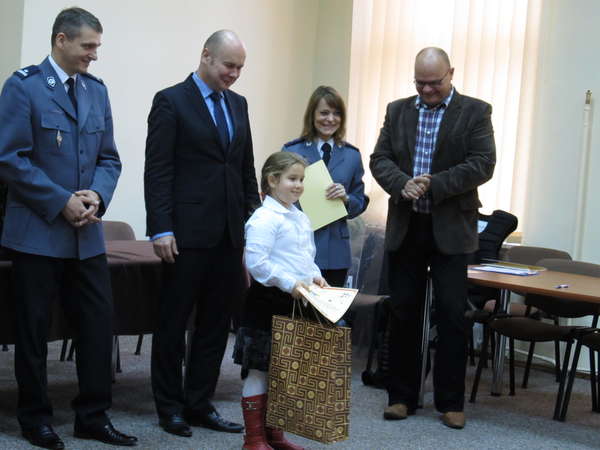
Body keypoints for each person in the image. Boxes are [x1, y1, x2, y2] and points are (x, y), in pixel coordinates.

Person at [0, 7, 137, 449]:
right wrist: (61, 200)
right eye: (88, 46)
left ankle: (92, 416)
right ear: (61, 39)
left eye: (97, 46)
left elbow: (109, 158)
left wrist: (97, 194)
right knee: (34, 331)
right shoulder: (23, 87)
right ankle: (35, 418)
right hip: (37, 234)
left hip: (87, 236)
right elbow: (10, 158)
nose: (95, 55)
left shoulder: (96, 90)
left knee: (97, 326)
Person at [369, 47, 496, 429]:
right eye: (420, 82)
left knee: (453, 316)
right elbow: (380, 159)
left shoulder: (475, 111)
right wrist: (401, 184)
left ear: (451, 74)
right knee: (403, 313)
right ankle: (401, 397)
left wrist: (434, 184)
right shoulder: (397, 110)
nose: (426, 90)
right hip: (407, 226)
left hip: (451, 230)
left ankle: (451, 402)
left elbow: (482, 163)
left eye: (434, 83)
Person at [144, 30, 260, 438]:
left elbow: (245, 169)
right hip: (186, 233)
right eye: (229, 65)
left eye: (240, 67)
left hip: (229, 234)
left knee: (214, 324)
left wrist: (255, 222)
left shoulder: (238, 104)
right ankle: (169, 407)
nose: (235, 74)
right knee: (173, 323)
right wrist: (161, 227)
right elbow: (158, 170)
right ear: (206, 56)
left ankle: (199, 403)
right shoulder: (171, 100)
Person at [233, 151, 326, 450]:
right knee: (259, 370)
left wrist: (316, 276)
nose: (298, 185)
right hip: (267, 303)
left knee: (284, 371)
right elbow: (257, 263)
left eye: (301, 179)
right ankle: (254, 439)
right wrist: (289, 283)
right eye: (292, 179)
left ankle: (275, 435)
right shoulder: (263, 218)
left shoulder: (300, 217)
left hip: (294, 303)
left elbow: (304, 257)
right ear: (273, 180)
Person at [283, 86, 367, 289]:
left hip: (336, 251)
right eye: (324, 113)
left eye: (336, 113)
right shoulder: (292, 151)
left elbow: (360, 201)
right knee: (298, 307)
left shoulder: (352, 155)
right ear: (312, 114)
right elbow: (279, 196)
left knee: (330, 307)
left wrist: (346, 198)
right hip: (300, 247)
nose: (330, 119)